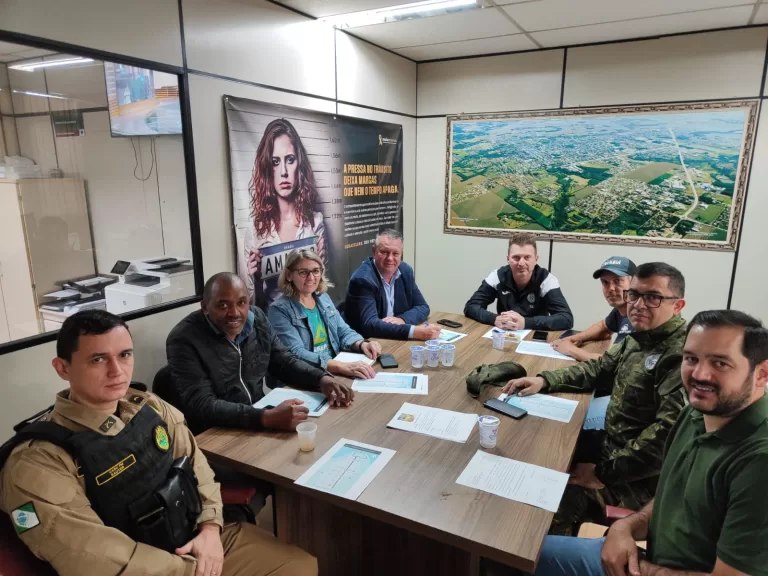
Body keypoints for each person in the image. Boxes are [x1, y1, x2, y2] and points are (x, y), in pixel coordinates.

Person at [0, 310, 317, 576]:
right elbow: (90, 555)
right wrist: (187, 568)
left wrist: (209, 528)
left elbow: (197, 468)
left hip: (195, 536)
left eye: (124, 355)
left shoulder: (149, 406)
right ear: (63, 368)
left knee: (301, 566)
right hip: (145, 570)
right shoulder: (38, 461)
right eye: (98, 359)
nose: (117, 371)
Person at [529, 309, 768, 576]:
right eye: (691, 358)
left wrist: (642, 569)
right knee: (527, 551)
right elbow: (672, 494)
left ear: (761, 374)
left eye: (720, 363)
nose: (700, 374)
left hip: (649, 569)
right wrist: (625, 527)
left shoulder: (759, 460)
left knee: (526, 555)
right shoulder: (695, 414)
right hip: (646, 557)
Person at [503, 262, 688, 536]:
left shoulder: (681, 355)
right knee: (541, 448)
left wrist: (602, 473)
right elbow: (598, 369)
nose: (637, 304)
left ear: (678, 305)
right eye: (634, 295)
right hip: (612, 446)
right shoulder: (639, 337)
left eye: (652, 297)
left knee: (546, 508)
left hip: (640, 479)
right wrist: (545, 380)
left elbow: (665, 438)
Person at [167, 272, 353, 436]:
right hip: (215, 433)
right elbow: (203, 405)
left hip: (257, 418)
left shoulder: (257, 319)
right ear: (205, 307)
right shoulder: (183, 339)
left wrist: (321, 378)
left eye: (241, 303)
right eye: (223, 305)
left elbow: (283, 361)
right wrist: (265, 417)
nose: (234, 313)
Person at [243, 118, 326, 308]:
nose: (284, 172)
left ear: (299, 164)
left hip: (307, 317)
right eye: (275, 162)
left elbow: (321, 290)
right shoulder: (255, 231)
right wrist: (255, 280)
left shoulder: (315, 223)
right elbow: (252, 307)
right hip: (274, 323)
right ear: (267, 168)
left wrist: (319, 268)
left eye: (290, 160)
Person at [269, 249, 382, 380]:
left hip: (334, 370)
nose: (311, 278)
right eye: (303, 272)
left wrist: (362, 344)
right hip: (305, 378)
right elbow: (297, 354)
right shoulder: (278, 310)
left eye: (316, 271)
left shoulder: (323, 298)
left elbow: (343, 331)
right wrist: (341, 367)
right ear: (289, 275)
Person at [464, 232, 573, 331]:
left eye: (527, 257)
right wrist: (495, 319)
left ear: (536, 259)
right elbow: (471, 306)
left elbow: (566, 319)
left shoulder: (546, 280)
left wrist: (525, 322)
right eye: (516, 257)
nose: (521, 263)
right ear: (508, 259)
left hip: (534, 333)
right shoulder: (497, 276)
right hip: (504, 332)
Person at [344, 229, 440, 341]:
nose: (390, 258)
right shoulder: (362, 280)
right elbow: (369, 325)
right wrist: (414, 331)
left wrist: (402, 320)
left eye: (395, 253)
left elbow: (423, 307)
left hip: (393, 339)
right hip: (366, 343)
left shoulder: (405, 271)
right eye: (384, 252)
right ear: (374, 251)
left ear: (401, 254)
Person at [551, 256, 636, 361]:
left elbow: (617, 363)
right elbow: (604, 327)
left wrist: (572, 350)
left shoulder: (640, 315)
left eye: (617, 281)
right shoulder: (623, 308)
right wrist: (577, 337)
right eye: (605, 282)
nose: (611, 288)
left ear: (634, 282)